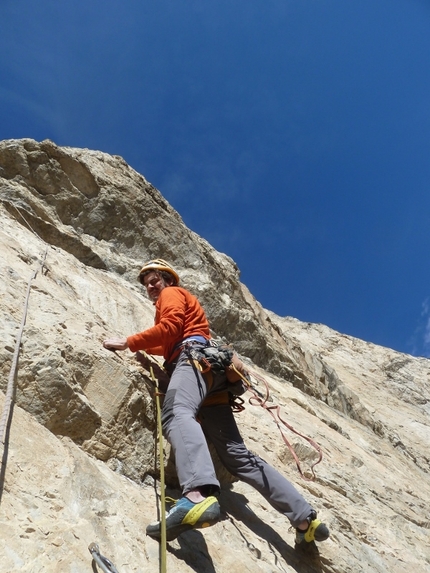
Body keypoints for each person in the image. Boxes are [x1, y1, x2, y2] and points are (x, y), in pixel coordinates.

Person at [103, 259, 330, 545]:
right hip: (214, 378)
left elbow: (171, 328)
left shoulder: (171, 294)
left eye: (155, 279)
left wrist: (129, 342)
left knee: (176, 414)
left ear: (168, 279)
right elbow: (167, 342)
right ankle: (304, 519)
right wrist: (145, 349)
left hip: (193, 360)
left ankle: (196, 495)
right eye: (146, 282)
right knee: (237, 456)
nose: (150, 286)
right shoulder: (183, 304)